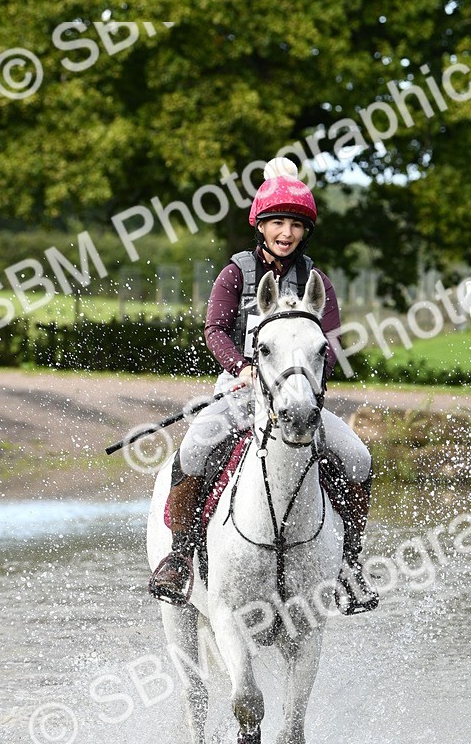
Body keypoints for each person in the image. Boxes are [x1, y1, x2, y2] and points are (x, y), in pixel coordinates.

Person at [149, 156, 378, 615]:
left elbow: (329, 343)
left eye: (295, 224)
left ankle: (349, 562)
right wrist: (243, 367)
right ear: (261, 225)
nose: (286, 232)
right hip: (239, 393)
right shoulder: (236, 273)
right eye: (277, 222)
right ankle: (180, 554)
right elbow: (214, 329)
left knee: (357, 456)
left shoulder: (318, 283)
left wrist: (308, 384)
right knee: (193, 448)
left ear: (305, 230)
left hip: (298, 397)